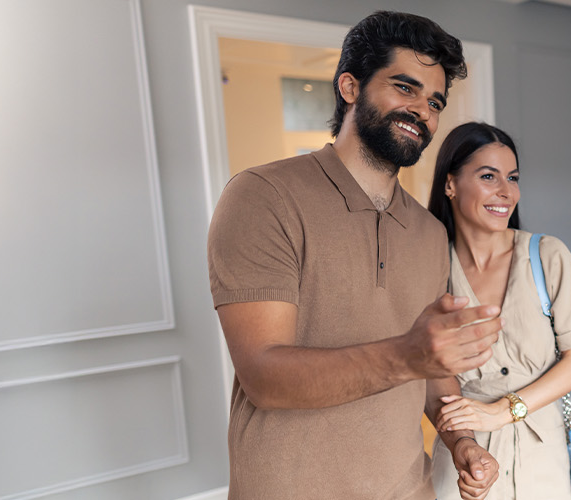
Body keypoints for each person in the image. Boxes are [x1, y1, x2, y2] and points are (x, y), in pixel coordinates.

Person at [207, 12, 501, 500]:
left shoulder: (429, 232)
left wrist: (461, 439)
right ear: (349, 86)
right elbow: (264, 376)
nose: (422, 112)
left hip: (408, 487)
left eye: (434, 102)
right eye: (404, 88)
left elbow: (433, 368)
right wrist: (407, 356)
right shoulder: (263, 196)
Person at [424, 122, 571, 500]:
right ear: (450, 183)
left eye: (513, 177)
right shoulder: (429, 269)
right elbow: (429, 374)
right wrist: (463, 444)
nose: (506, 192)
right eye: (488, 176)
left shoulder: (547, 255)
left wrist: (503, 412)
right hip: (463, 460)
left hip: (542, 456)